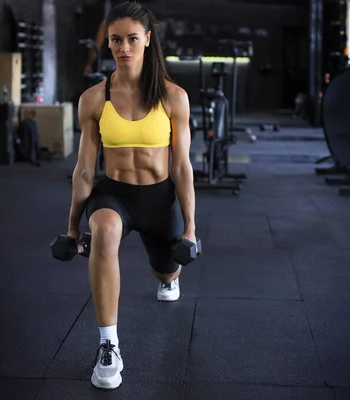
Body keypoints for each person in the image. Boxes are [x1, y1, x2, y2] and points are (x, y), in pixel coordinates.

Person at [66, 0, 197, 390]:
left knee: (166, 269)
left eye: (132, 39)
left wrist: (190, 229)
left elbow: (182, 167)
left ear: (147, 40)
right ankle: (109, 345)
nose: (124, 47)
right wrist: (72, 228)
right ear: (108, 43)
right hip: (115, 195)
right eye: (116, 40)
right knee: (103, 230)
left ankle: (168, 277)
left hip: (159, 199)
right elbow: (86, 169)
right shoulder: (93, 99)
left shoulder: (173, 97)